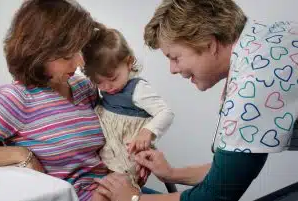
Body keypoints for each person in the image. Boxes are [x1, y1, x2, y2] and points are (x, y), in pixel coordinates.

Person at [94, 0, 298, 201]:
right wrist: (172, 174)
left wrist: (133, 198)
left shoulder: (252, 86)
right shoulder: (267, 40)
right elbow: (230, 174)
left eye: (175, 57)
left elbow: (215, 196)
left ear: (209, 43)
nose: (172, 69)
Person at [0, 0, 111, 200]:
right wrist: (20, 154)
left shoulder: (85, 88)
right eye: (67, 56)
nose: (80, 62)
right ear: (38, 52)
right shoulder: (16, 100)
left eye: (80, 50)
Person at [82, 28, 174, 190]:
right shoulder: (103, 89)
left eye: (112, 78)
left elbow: (166, 113)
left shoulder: (138, 90)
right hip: (108, 156)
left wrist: (148, 131)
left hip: (127, 158)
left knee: (117, 191)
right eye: (99, 82)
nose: (107, 87)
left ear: (129, 62)